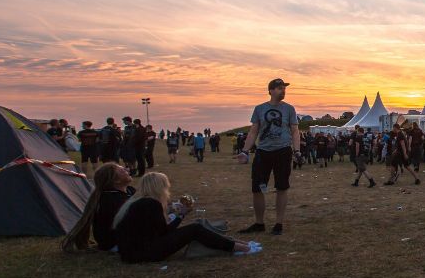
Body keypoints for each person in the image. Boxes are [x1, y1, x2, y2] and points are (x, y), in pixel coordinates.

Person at [112, 172, 260, 263]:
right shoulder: (151, 204)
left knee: (196, 227)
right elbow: (165, 232)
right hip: (144, 253)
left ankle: (240, 244)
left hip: (133, 252)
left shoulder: (138, 202)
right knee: (195, 229)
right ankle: (240, 248)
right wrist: (181, 215)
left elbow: (153, 230)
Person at [237, 78, 300, 236]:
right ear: (271, 90)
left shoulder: (290, 109)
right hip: (263, 152)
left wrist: (297, 150)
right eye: (279, 88)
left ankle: (279, 223)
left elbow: (295, 131)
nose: (283, 91)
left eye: (284, 88)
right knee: (257, 188)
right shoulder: (259, 109)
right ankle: (259, 223)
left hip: (283, 151)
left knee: (282, 187)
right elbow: (253, 131)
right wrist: (245, 151)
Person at [61, 162, 135, 252]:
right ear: (116, 181)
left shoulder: (129, 191)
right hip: (116, 243)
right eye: (122, 170)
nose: (127, 170)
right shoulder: (110, 200)